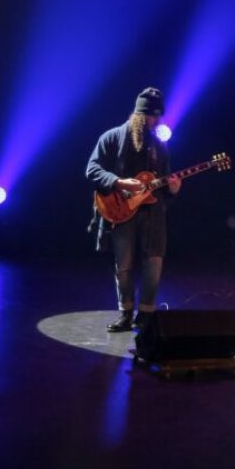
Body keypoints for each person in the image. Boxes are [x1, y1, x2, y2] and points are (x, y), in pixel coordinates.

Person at [86, 87, 181, 332]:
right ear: (138, 115)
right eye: (150, 116)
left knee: (153, 264)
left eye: (158, 116)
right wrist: (118, 182)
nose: (155, 121)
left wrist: (172, 189)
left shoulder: (159, 146)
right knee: (124, 264)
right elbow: (92, 169)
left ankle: (147, 314)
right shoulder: (112, 137)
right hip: (121, 211)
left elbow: (165, 183)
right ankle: (126, 313)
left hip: (153, 214)